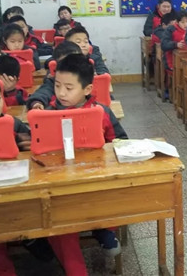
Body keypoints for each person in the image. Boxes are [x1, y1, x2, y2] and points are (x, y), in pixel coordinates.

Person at [0, 71, 87, 276]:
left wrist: (29, 144)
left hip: (25, 194)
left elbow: (37, 144)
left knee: (62, 223)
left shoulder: (12, 123)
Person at [46, 54, 127, 256]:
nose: (61, 93)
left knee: (108, 196)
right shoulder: (48, 114)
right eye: (57, 86)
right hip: (61, 180)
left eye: (69, 88)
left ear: (87, 89)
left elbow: (121, 141)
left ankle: (104, 229)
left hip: (96, 175)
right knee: (61, 215)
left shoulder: (101, 112)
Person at [27, 41, 82, 110]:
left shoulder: (88, 78)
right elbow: (44, 92)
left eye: (75, 61)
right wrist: (37, 102)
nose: (70, 66)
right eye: (65, 63)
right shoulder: (54, 81)